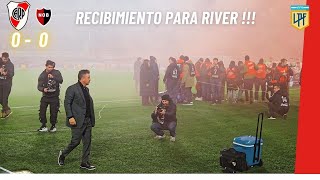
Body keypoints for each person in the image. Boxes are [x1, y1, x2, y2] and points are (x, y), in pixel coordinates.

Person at [58, 69, 96, 170]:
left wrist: (91, 119)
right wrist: (70, 117)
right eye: (88, 77)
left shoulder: (86, 89)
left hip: (87, 120)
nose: (90, 79)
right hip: (77, 120)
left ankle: (84, 163)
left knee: (87, 142)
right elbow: (67, 103)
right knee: (75, 142)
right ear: (82, 78)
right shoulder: (72, 88)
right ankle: (63, 154)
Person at [37, 60, 63, 132]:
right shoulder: (42, 75)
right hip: (45, 96)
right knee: (42, 111)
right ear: (46, 66)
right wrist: (43, 89)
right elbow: (38, 86)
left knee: (54, 112)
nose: (50, 69)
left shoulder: (57, 72)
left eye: (52, 67)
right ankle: (43, 125)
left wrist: (54, 77)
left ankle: (53, 126)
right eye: (49, 67)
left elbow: (61, 80)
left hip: (54, 96)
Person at [0, 52, 14, 118]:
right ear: (1, 57)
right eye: (4, 59)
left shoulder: (10, 65)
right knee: (0, 99)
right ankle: (7, 109)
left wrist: (6, 73)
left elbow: (12, 74)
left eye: (6, 59)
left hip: (7, 84)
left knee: (4, 98)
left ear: (8, 58)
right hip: (0, 84)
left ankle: (4, 112)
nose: (5, 60)